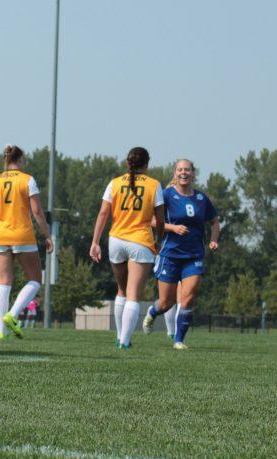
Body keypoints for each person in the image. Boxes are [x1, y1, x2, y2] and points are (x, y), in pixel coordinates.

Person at [89, 147, 165, 349]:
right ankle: (124, 341)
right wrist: (159, 241)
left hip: (116, 240)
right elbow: (161, 219)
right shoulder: (154, 185)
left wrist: (95, 242)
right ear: (147, 164)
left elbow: (103, 214)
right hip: (140, 241)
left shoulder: (114, 183)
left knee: (121, 290)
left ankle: (118, 336)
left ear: (127, 163)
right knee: (133, 294)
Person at [142, 159, 221, 350]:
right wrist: (171, 228)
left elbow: (215, 221)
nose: (183, 173)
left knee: (188, 298)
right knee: (166, 303)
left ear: (193, 174)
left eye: (187, 170)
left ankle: (179, 340)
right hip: (169, 255)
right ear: (175, 173)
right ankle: (152, 312)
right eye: (180, 170)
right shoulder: (166, 195)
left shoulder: (202, 199)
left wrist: (214, 239)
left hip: (193, 256)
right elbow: (151, 221)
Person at [0, 144, 54, 340]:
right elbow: (38, 212)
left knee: (4, 283)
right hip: (22, 235)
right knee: (35, 279)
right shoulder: (27, 180)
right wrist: (47, 235)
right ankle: (12, 315)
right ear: (20, 159)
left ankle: (1, 332)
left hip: (0, 235)